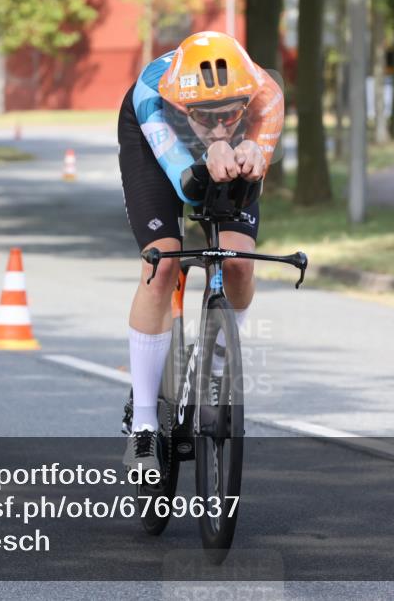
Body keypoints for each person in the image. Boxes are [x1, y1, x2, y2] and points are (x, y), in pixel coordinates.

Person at [117, 31, 284, 471]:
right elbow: (184, 184)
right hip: (156, 152)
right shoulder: (154, 99)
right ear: (181, 107)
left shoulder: (265, 95)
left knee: (239, 262)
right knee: (162, 264)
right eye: (205, 118)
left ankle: (219, 363)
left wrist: (254, 152)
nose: (218, 127)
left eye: (230, 115)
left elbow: (255, 163)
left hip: (220, 150)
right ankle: (145, 429)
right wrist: (211, 154)